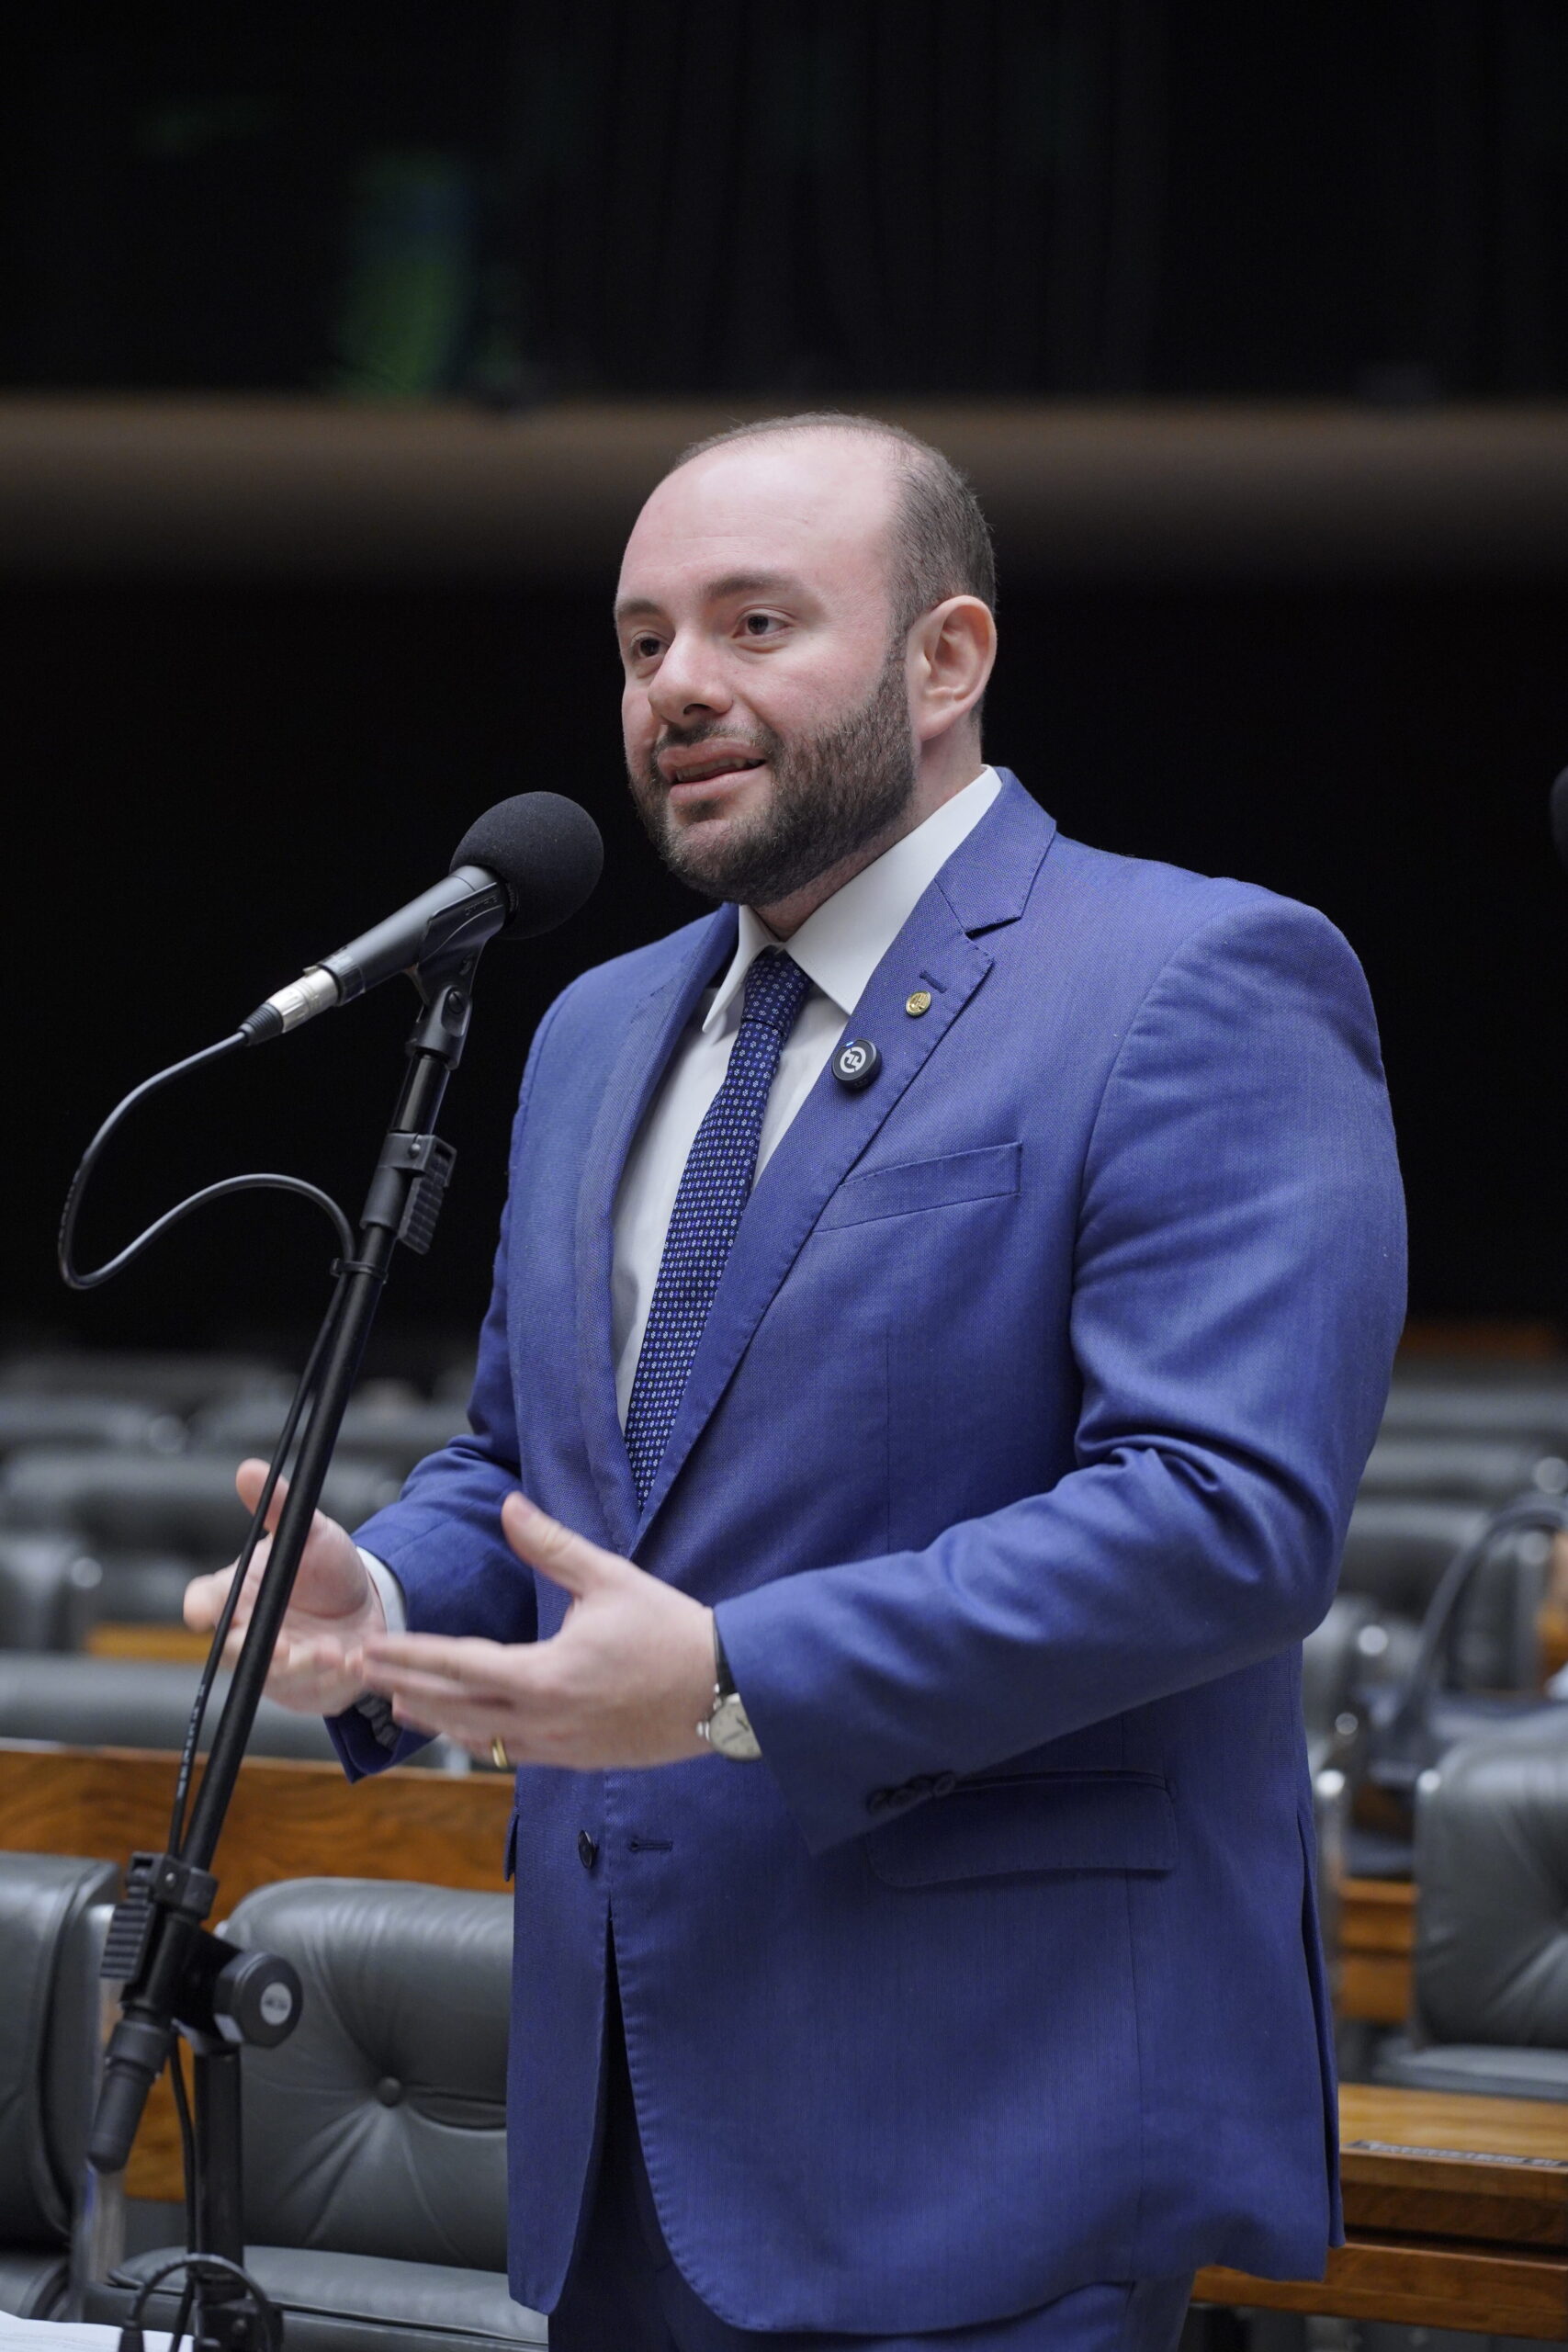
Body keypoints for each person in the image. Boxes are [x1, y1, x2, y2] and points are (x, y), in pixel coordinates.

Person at [186, 413, 1406, 2352]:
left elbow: (1220, 1517)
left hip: (988, 2114)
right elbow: (538, 1455)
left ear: (946, 658)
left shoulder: (1195, 975)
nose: (679, 685)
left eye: (757, 622)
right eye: (642, 639)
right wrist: (398, 1594)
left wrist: (737, 1676)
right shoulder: (592, 1027)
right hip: (622, 2105)